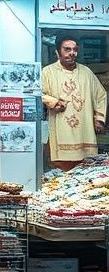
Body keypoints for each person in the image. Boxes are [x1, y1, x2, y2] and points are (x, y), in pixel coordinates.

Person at [42, 34, 107, 171]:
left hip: (85, 132)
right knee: (61, 173)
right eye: (67, 49)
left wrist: (99, 119)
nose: (72, 53)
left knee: (86, 171)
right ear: (57, 52)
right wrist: (53, 102)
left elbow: (101, 95)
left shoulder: (86, 72)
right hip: (60, 132)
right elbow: (38, 93)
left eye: (75, 49)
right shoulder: (47, 72)